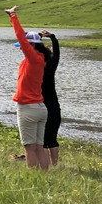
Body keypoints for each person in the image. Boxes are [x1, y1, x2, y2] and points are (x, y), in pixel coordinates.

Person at [5, 6, 50, 171]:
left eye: (23, 46)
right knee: (40, 147)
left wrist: (13, 16)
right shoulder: (41, 59)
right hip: (40, 108)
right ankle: (44, 176)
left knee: (30, 148)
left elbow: (21, 37)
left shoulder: (32, 58)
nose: (21, 48)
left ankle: (34, 178)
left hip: (28, 108)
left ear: (31, 46)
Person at [40, 29, 62, 167]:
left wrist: (39, 38)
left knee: (42, 140)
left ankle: (46, 164)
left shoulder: (36, 68)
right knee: (52, 139)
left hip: (40, 107)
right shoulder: (51, 67)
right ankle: (54, 165)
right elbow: (57, 54)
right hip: (53, 107)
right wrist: (52, 37)